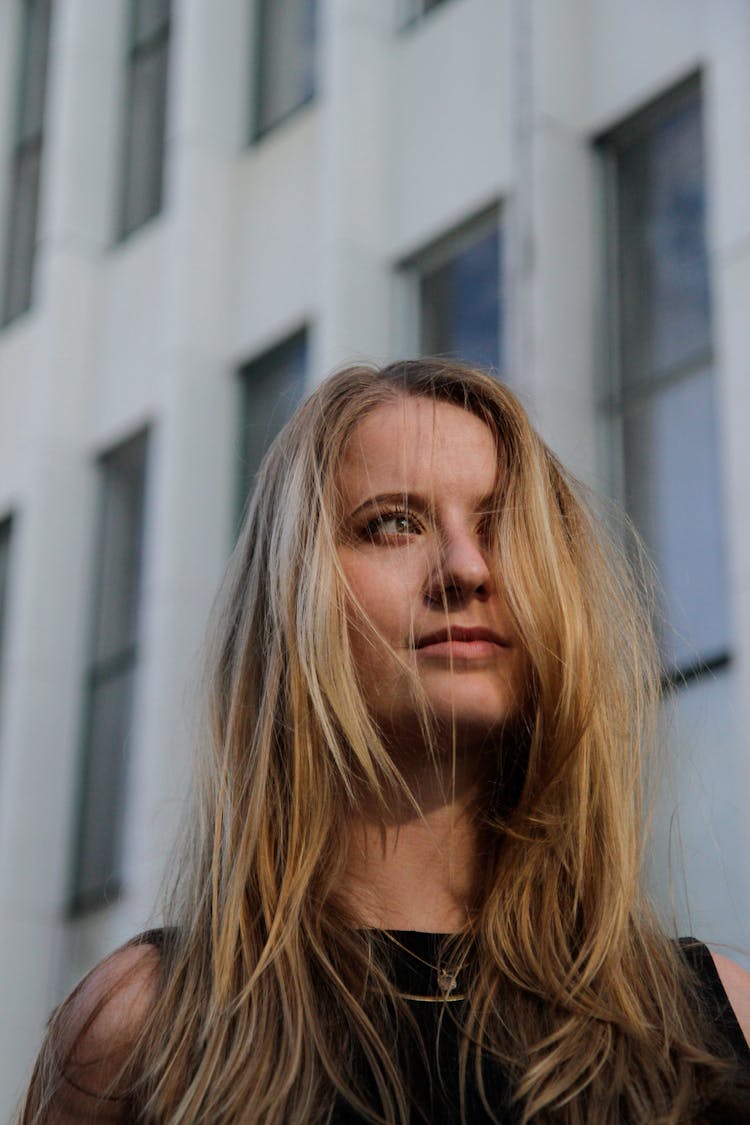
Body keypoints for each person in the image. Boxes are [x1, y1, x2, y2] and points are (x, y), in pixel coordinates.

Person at [18, 359, 750, 1123]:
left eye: (503, 526)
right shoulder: (144, 1027)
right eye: (394, 523)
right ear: (293, 599)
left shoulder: (713, 1027)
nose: (467, 568)